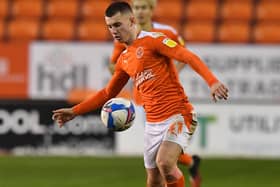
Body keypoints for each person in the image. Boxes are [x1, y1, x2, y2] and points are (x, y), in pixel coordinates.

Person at [52, 2, 229, 187]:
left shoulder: (154, 40)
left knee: (165, 163)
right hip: (153, 124)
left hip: (178, 115)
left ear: (132, 20)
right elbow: (107, 92)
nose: (114, 30)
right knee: (153, 180)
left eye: (117, 25)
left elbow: (187, 56)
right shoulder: (124, 59)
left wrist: (212, 81)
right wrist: (75, 111)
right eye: (110, 26)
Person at [109, 1, 201, 186]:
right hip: (143, 100)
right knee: (161, 155)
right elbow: (115, 64)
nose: (140, 11)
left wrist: (169, 73)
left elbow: (183, 54)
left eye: (144, 7)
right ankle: (191, 162)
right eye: (137, 7)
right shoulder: (124, 35)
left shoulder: (166, 33)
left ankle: (185, 167)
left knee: (164, 158)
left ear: (151, 10)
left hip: (167, 100)